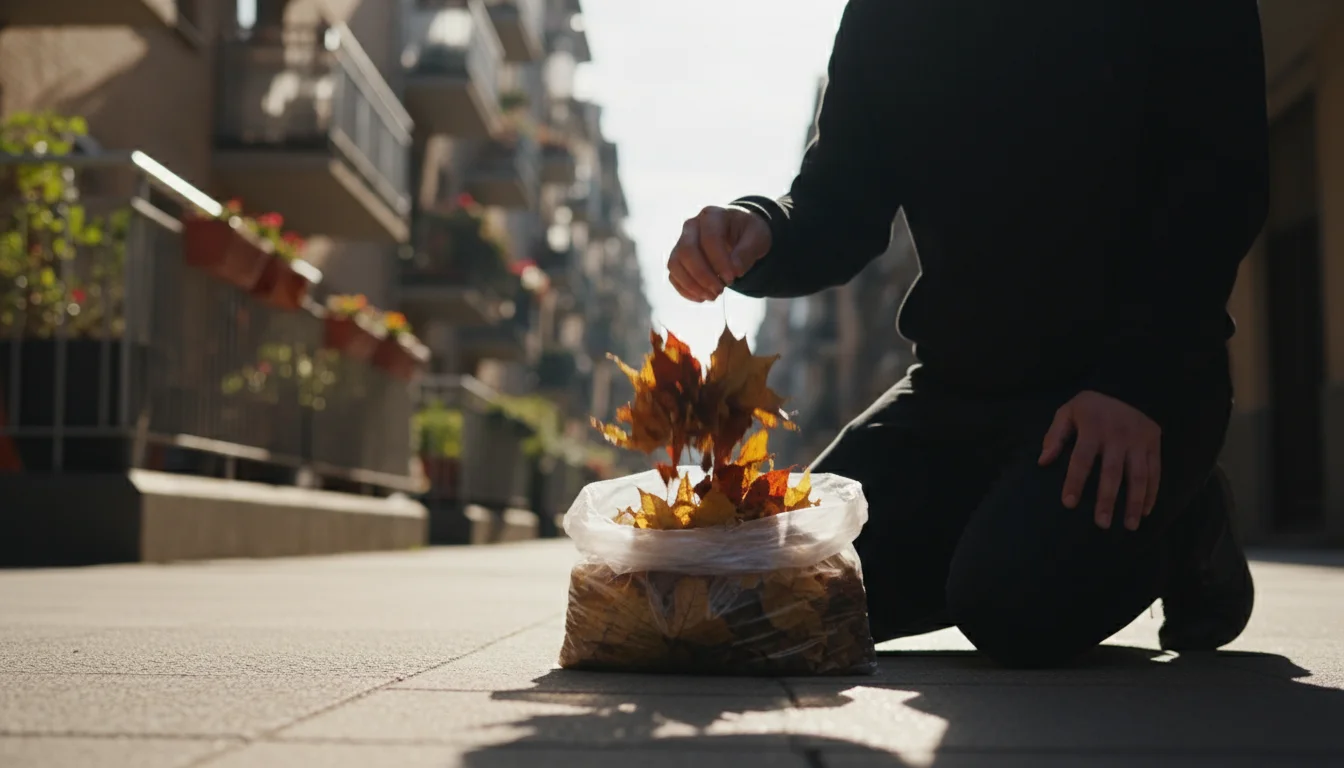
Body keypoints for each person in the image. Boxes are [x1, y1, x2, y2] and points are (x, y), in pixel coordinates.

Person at [666, 0, 1268, 668]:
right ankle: (1028, 518)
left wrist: (1137, 380)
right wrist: (761, 227)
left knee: (1010, 604)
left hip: (1127, 390)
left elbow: (1219, 181)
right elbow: (839, 200)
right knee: (776, 594)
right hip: (955, 393)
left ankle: (1187, 518)